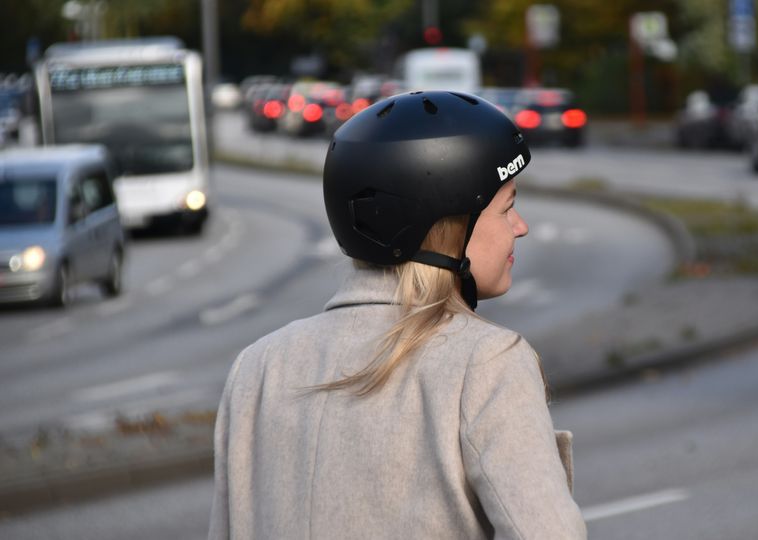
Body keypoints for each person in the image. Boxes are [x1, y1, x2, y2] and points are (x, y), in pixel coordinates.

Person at [208, 91, 587, 539]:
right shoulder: (487, 363)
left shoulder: (258, 368)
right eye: (506, 207)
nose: (520, 226)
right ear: (445, 229)